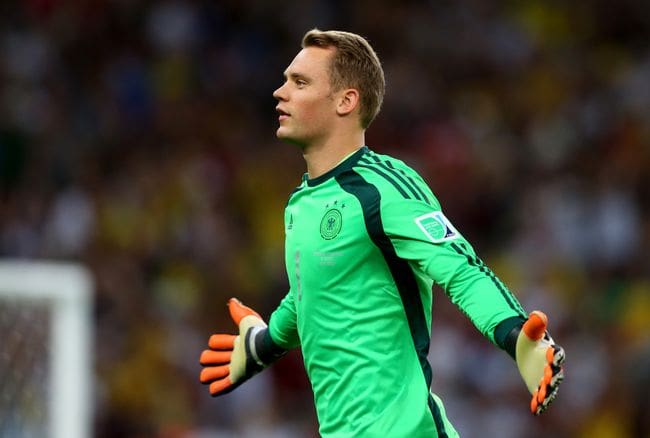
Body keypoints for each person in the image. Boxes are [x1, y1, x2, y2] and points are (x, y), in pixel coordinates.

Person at [199, 29, 565, 437]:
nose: (279, 92)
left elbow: (461, 268)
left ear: (346, 101)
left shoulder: (382, 187)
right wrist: (264, 345)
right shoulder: (300, 204)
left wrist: (516, 335)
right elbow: (316, 289)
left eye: (299, 82)